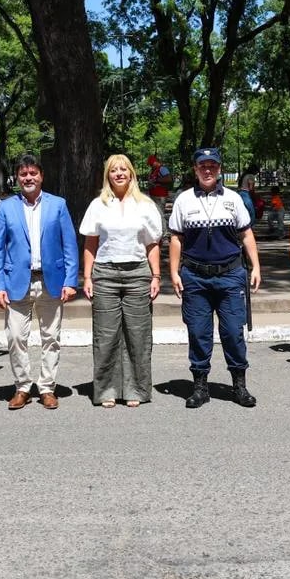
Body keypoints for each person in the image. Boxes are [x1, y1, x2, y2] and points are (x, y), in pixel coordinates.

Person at [169, 147, 261, 408]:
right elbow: (176, 238)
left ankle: (239, 385)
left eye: (212, 165)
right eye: (202, 166)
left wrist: (256, 267)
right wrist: (174, 272)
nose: (207, 170)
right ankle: (200, 387)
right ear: (195, 169)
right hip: (195, 277)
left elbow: (246, 234)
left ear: (219, 169)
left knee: (233, 332)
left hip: (230, 275)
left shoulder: (234, 199)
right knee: (199, 333)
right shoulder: (183, 200)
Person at [0, 153, 79, 411]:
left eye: (33, 173)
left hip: (51, 281)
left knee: (51, 337)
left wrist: (71, 280)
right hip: (16, 282)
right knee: (16, 337)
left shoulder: (58, 205)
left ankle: (47, 388)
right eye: (23, 174)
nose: (28, 178)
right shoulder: (6, 207)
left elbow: (69, 245)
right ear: (17, 178)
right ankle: (22, 387)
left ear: (41, 176)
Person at [81, 155, 162, 407]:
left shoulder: (145, 205)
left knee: (138, 334)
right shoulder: (98, 204)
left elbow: (152, 243)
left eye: (123, 169)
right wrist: (87, 276)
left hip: (138, 273)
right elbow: (90, 242)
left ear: (131, 173)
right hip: (105, 274)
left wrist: (156, 275)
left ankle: (136, 390)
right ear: (107, 175)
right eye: (114, 170)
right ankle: (106, 390)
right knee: (105, 335)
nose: (119, 173)